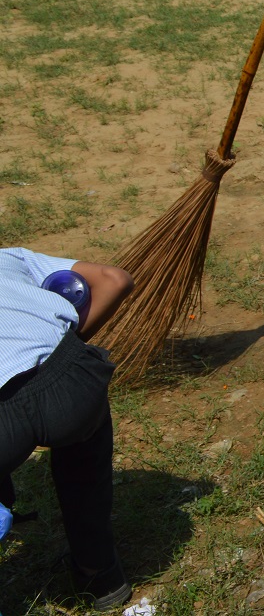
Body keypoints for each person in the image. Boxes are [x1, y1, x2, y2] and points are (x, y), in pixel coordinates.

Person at [1, 248, 135, 608]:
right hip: (70, 379)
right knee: (84, 460)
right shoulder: (8, 258)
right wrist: (60, 356)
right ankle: (101, 576)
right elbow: (115, 280)